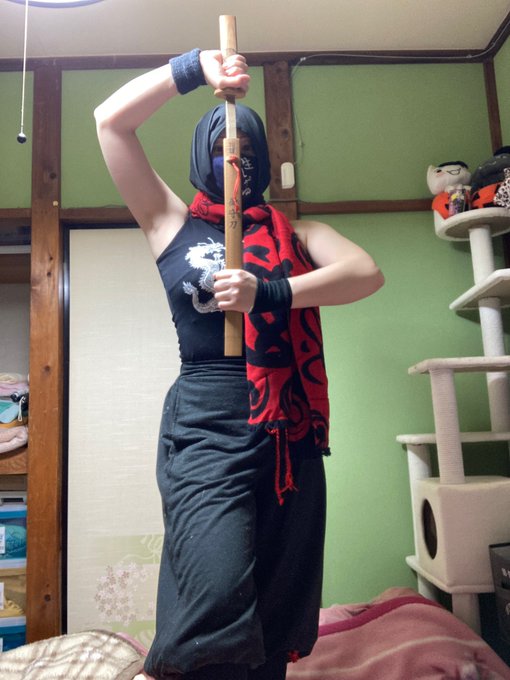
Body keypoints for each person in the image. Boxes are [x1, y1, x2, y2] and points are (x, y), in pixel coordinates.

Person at [94, 48, 384, 680]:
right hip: (206, 417)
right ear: (201, 155)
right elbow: (110, 122)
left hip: (287, 428)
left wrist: (270, 291)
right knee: (215, 585)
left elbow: (365, 274)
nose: (236, 162)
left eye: (248, 151)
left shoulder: (299, 234)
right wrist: (193, 68)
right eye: (224, 149)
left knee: (277, 600)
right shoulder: (169, 222)